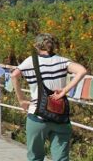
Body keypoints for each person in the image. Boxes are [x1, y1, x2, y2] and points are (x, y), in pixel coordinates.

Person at [10, 33, 88, 161]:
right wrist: (65, 90)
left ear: (36, 46)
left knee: (35, 157)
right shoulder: (62, 61)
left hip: (37, 115)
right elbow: (82, 70)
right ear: (53, 46)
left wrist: (21, 99)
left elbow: (14, 75)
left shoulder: (31, 61)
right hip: (60, 116)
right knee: (61, 158)